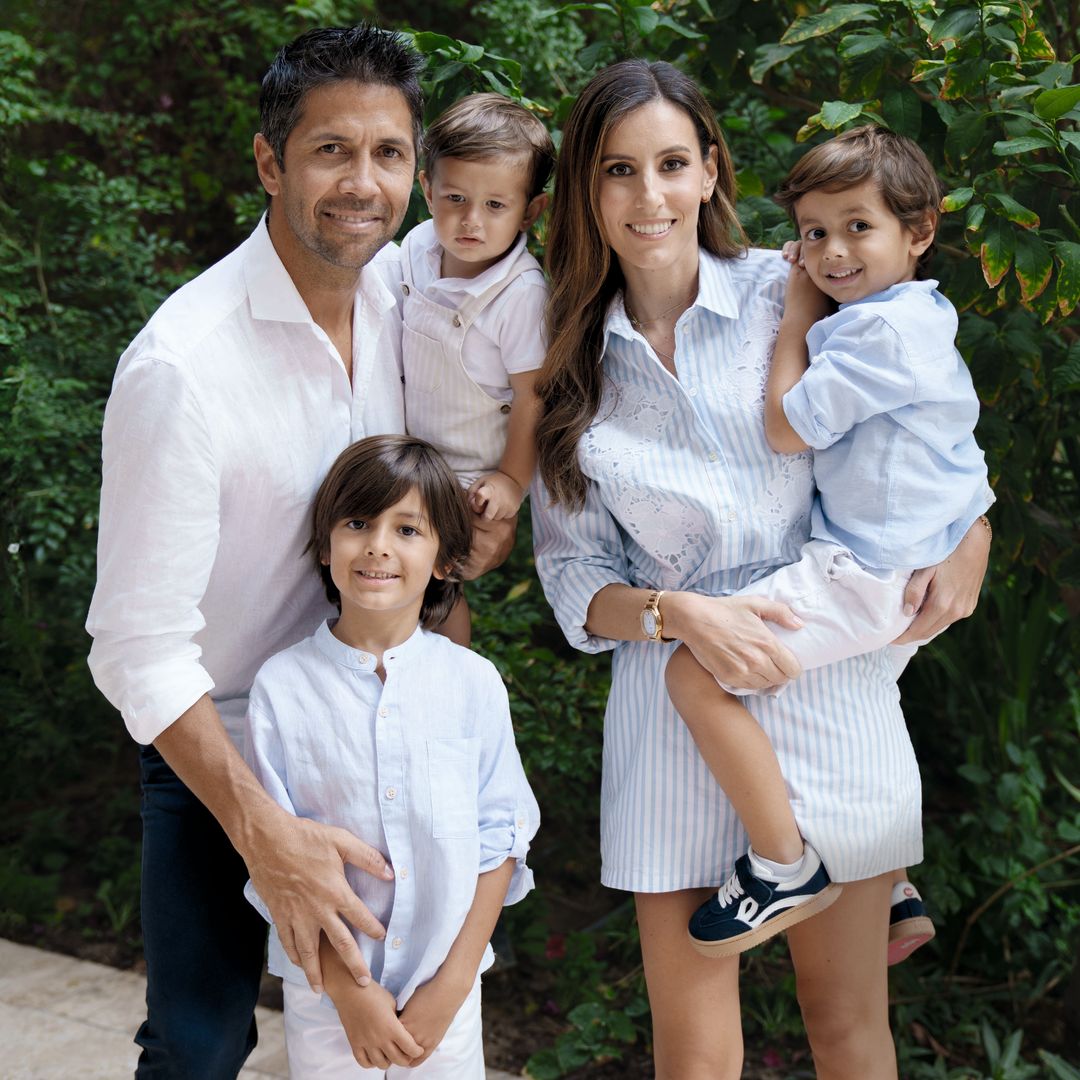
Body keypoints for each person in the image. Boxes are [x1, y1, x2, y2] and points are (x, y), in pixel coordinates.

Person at [531, 59, 991, 1079]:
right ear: (585, 189)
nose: (648, 197)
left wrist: (972, 535)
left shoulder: (801, 288)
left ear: (709, 172)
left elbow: (921, 426)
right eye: (617, 170)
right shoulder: (563, 362)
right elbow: (572, 580)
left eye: (670, 164)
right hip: (672, 706)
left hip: (825, 675)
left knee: (847, 1030)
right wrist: (678, 614)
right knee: (694, 1058)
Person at [84, 25, 514, 1077]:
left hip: (389, 721)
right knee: (199, 1044)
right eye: (330, 151)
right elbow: (134, 648)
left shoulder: (409, 303)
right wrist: (265, 832)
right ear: (270, 161)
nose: (362, 183)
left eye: (388, 154)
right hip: (223, 753)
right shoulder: (183, 368)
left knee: (409, 1026)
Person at [665, 125, 994, 960]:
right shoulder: (910, 312)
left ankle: (784, 865)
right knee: (852, 712)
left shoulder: (880, 333)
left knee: (698, 667)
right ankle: (889, 885)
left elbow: (784, 428)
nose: (830, 250)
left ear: (919, 232)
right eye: (814, 231)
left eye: (858, 227)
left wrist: (800, 308)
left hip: (867, 573)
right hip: (908, 561)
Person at [244, 435, 539, 1077]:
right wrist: (352, 996)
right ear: (326, 547)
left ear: (442, 560)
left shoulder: (472, 682)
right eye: (358, 523)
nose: (378, 544)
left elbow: (501, 838)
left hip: (447, 989)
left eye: (408, 528)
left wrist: (453, 985)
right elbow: (272, 858)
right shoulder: (281, 688)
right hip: (329, 992)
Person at [399, 92, 554, 641]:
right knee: (386, 577)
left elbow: (534, 394)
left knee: (433, 586)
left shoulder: (519, 294)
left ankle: (448, 677)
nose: (471, 220)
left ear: (530, 211)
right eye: (456, 198)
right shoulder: (415, 248)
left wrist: (512, 479)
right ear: (426, 190)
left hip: (468, 471)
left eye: (495, 206)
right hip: (406, 448)